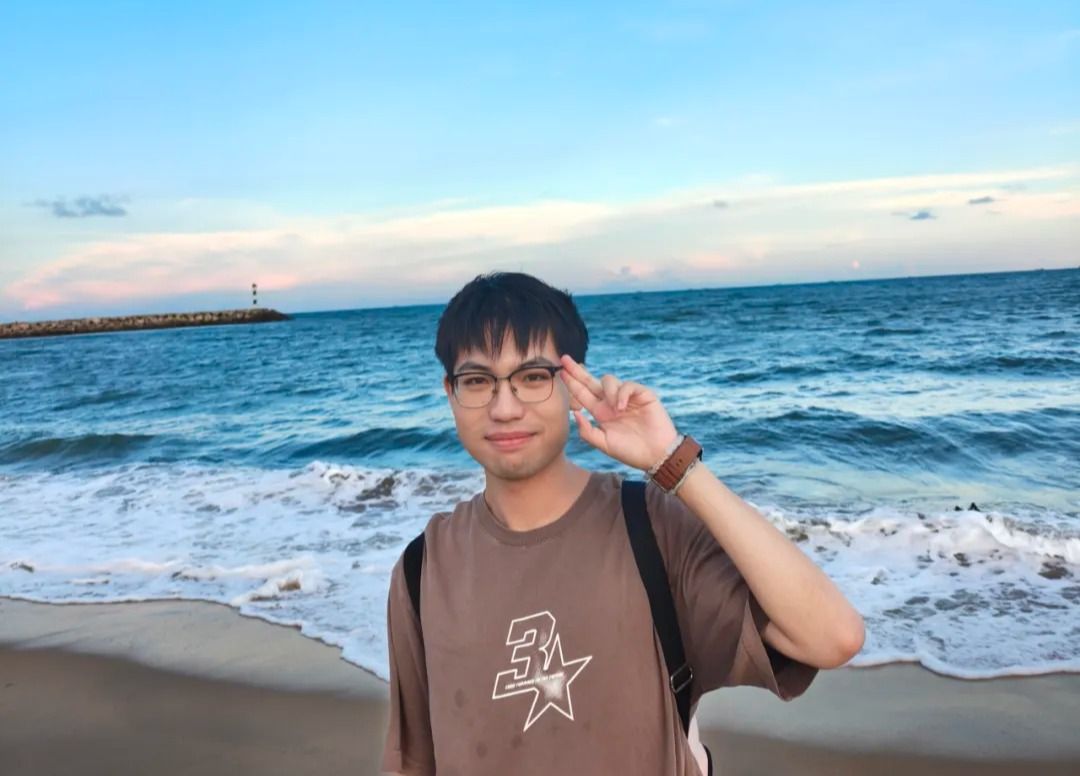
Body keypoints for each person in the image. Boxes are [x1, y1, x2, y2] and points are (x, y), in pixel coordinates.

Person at [381, 272, 864, 775]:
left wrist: (673, 462)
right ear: (451, 392)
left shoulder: (651, 528)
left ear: (573, 384)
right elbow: (413, 762)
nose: (504, 408)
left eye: (533, 377)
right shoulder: (423, 567)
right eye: (478, 381)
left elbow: (832, 636)